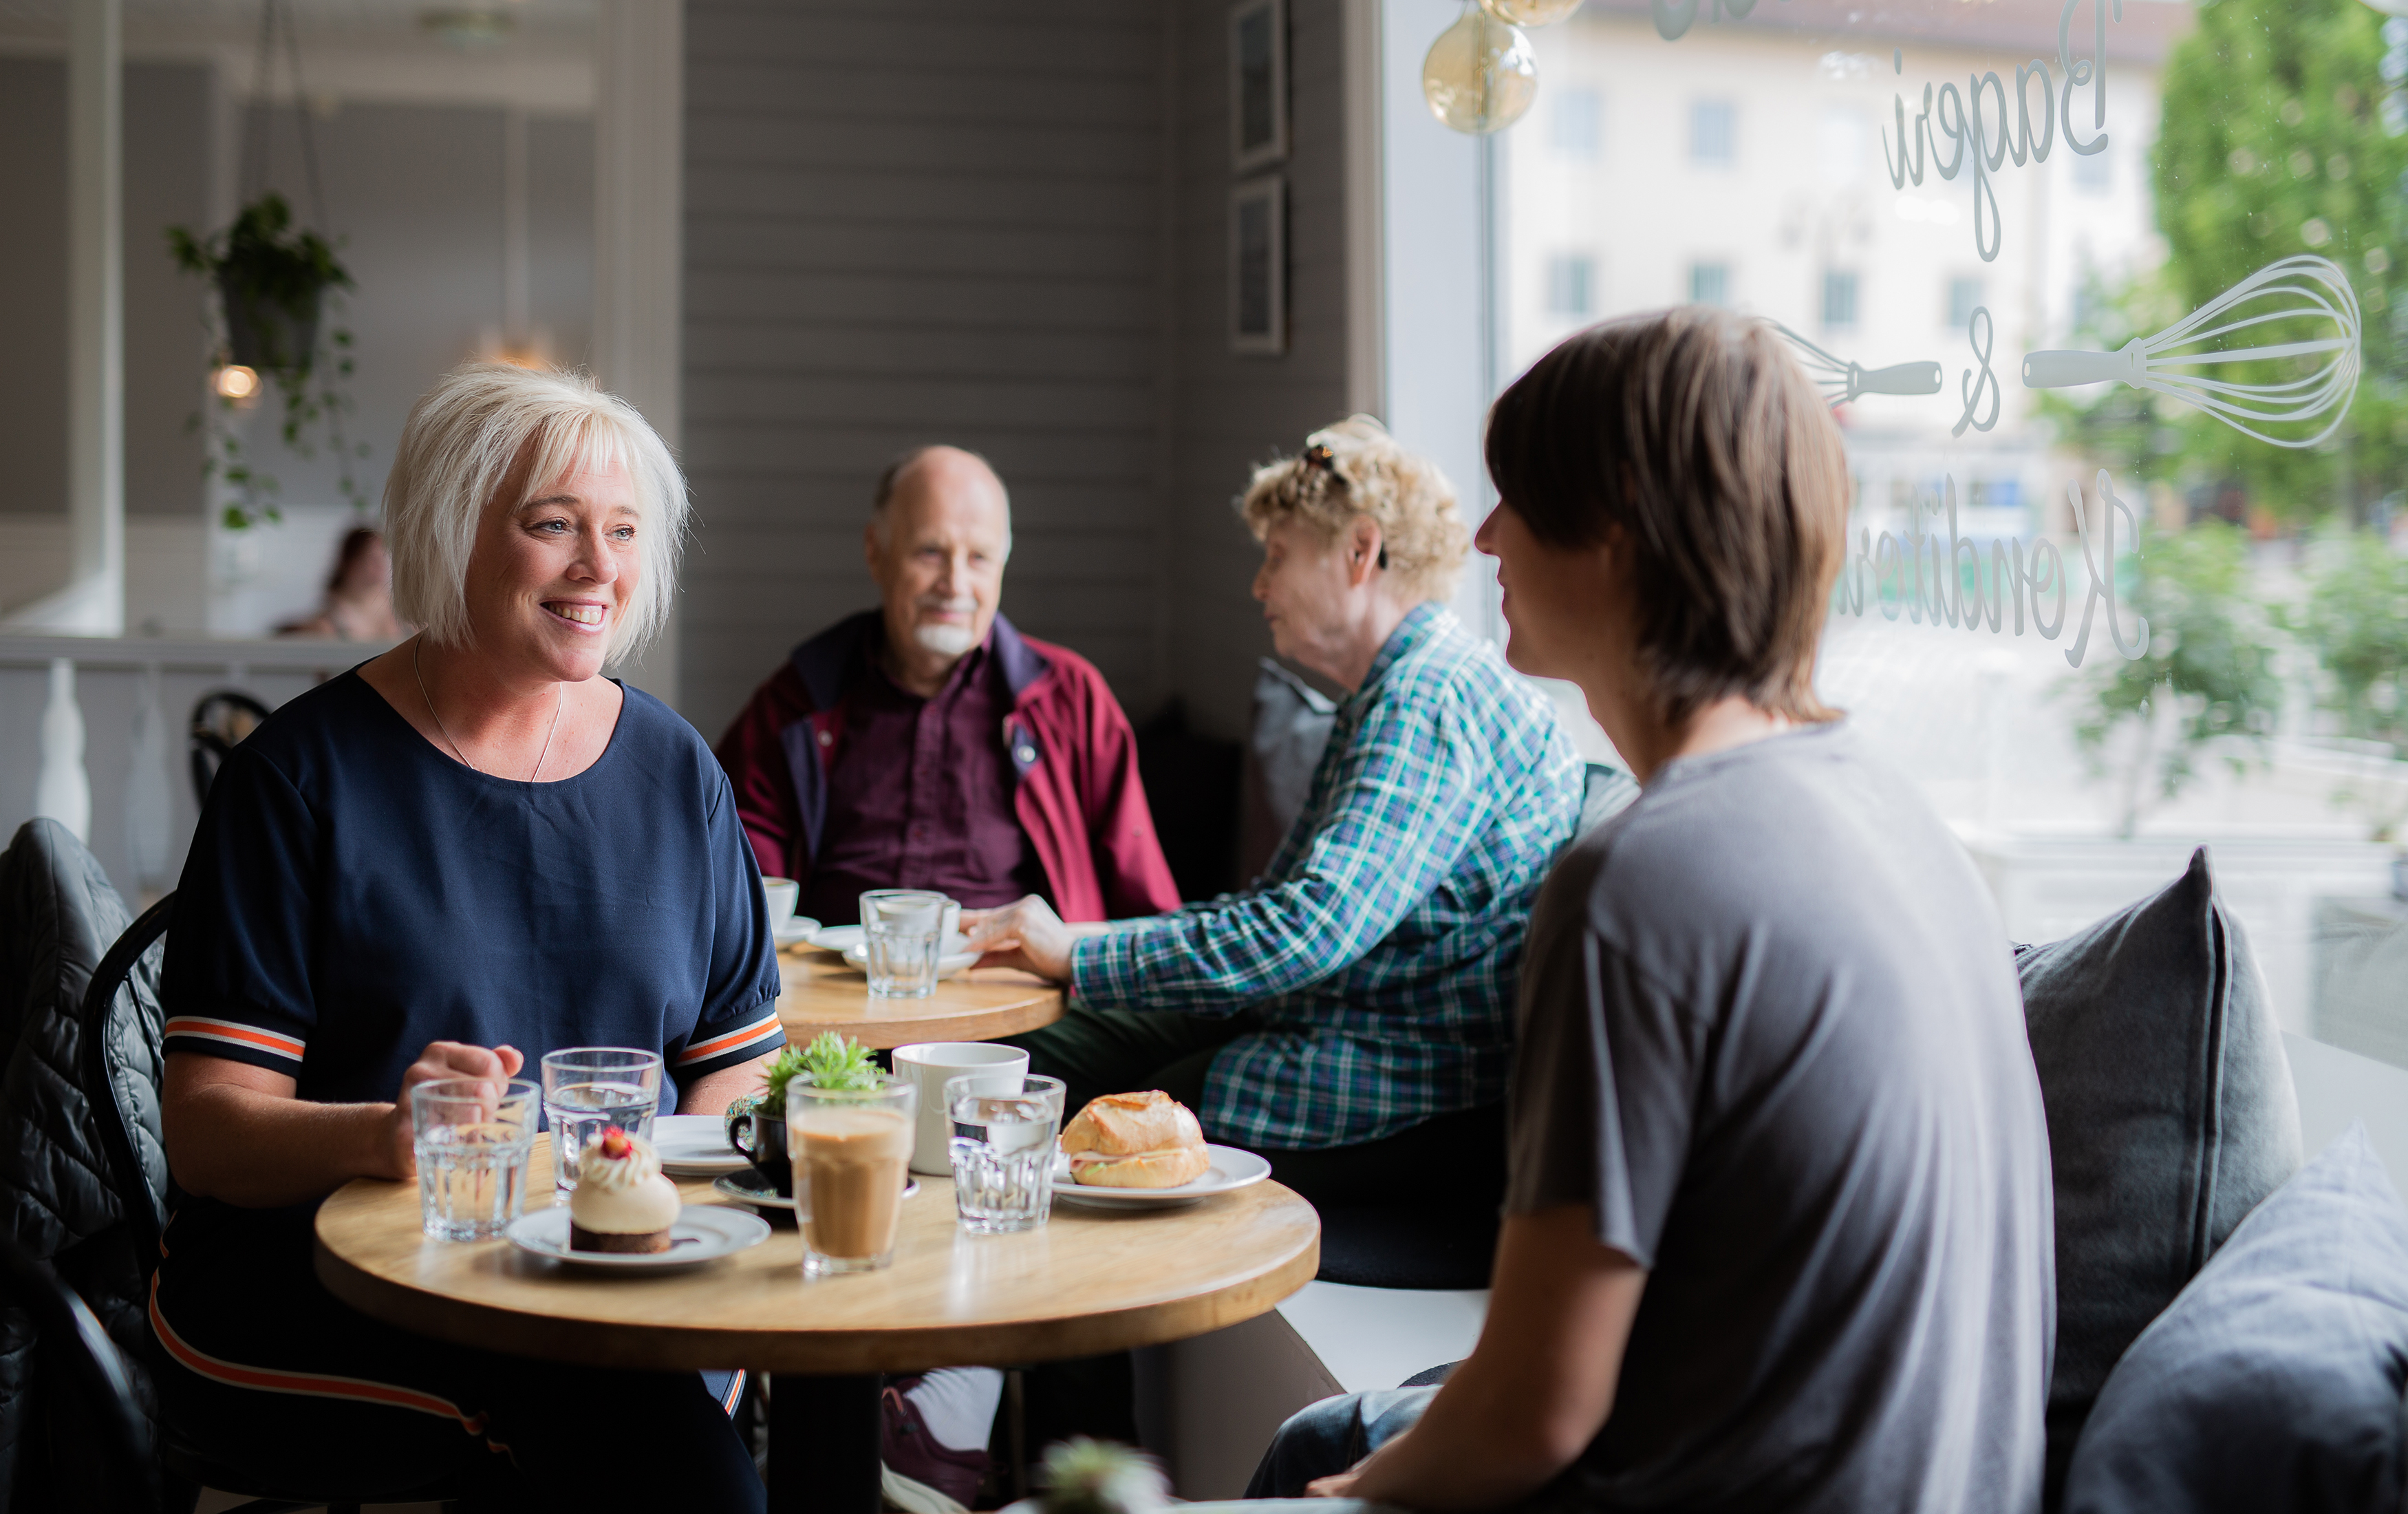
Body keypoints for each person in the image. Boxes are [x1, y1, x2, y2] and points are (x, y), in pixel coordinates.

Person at [1248, 310, 2053, 1511]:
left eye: (1518, 495)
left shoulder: (1645, 881)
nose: (1482, 536)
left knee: (1314, 1471)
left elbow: (1534, 1411)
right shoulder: (1895, 816)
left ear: (1619, 523)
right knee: (1333, 1434)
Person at [155, 363, 780, 1512]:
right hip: (328, 1268)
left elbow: (739, 1055)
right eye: (554, 526)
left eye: (623, 530)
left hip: (602, 1274)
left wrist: (655, 1195)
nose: (599, 567)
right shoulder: (298, 779)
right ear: (453, 532)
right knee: (657, 1460)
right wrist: (387, 1135)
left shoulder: (676, 770)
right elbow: (206, 1136)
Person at [966, 417, 1584, 1212]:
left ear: (1361, 552)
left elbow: (1302, 932)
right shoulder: (1386, 696)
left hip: (1389, 1083)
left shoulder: (1428, 699)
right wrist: (1077, 941)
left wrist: (1081, 960)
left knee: (1102, 1131)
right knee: (1021, 1060)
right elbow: (1281, 909)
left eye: (1278, 556)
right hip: (1316, 1025)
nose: (1259, 585)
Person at [714, 445, 1180, 927]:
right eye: (931, 552)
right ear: (877, 552)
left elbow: (1140, 900)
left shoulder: (1072, 700)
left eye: (979, 557)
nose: (955, 583)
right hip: (835, 995)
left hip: (1017, 995)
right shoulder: (800, 700)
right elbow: (731, 876)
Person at [275, 524, 409, 640]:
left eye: (383, 559)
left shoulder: (399, 613)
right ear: (351, 562)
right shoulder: (330, 621)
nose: (380, 566)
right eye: (372, 559)